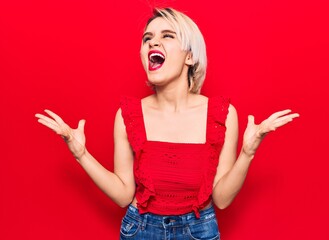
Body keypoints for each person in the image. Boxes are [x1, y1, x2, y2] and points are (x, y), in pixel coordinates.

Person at [35, 7, 299, 240]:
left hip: (199, 231)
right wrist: (80, 154)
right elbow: (123, 194)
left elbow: (222, 199)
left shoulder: (222, 114)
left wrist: (247, 152)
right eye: (147, 38)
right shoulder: (128, 115)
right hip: (140, 230)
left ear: (190, 57)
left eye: (167, 36)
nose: (153, 43)